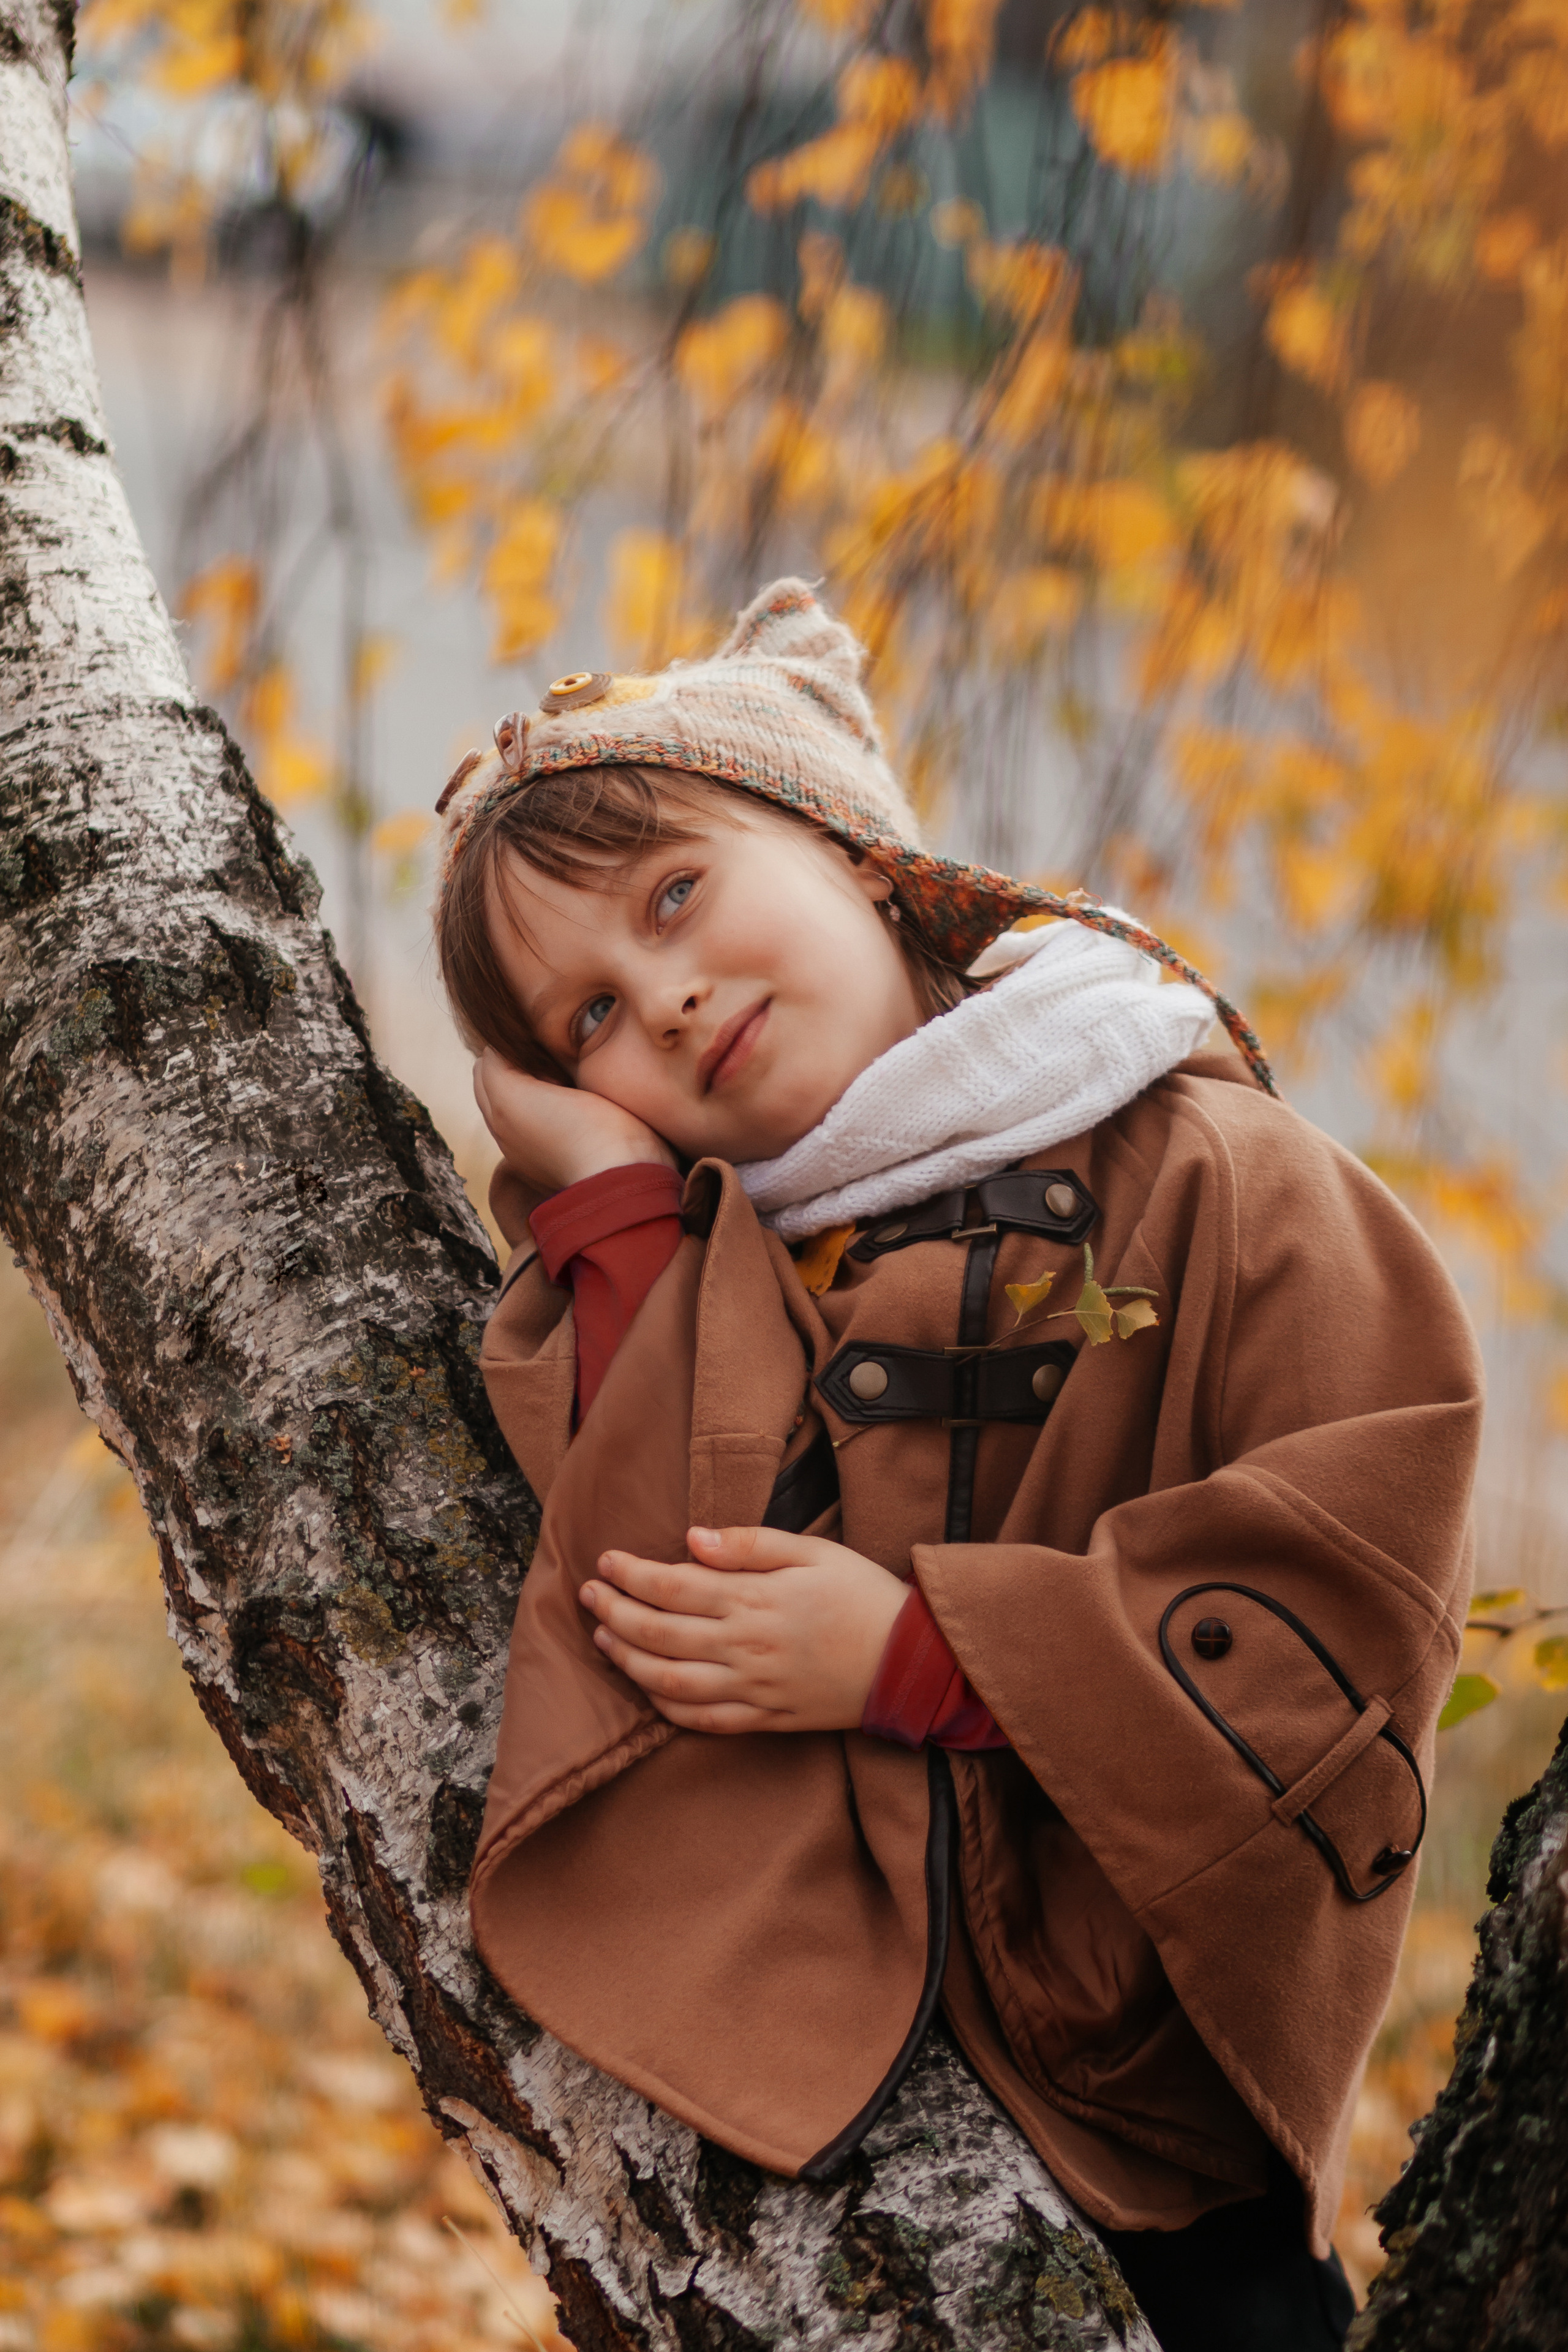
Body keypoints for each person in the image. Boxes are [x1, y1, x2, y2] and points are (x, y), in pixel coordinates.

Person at [431, 580, 1481, 2352]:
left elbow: (1343, 1621)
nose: (667, 999)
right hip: (821, 2092)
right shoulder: (722, 1254)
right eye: (588, 1019)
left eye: (676, 895)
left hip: (1152, 2129)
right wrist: (608, 1204)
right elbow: (670, 1591)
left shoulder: (1215, 1172)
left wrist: (925, 1655)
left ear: (851, 844)